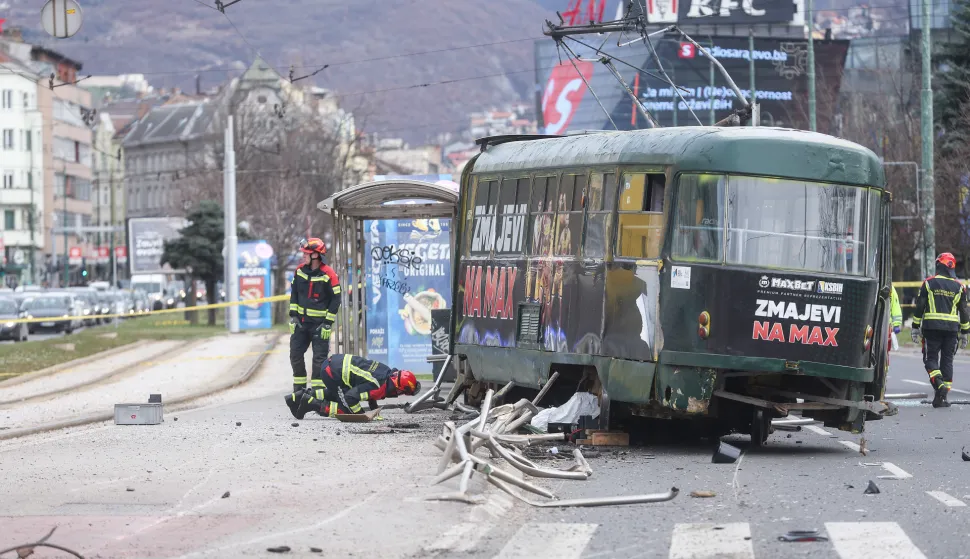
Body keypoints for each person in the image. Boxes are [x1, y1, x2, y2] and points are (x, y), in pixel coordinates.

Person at [911, 252, 970, 408]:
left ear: (939, 265)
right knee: (947, 361)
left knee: (930, 359)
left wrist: (915, 327)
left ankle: (939, 385)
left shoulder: (929, 283)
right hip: (951, 330)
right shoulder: (959, 287)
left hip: (932, 329)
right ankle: (941, 398)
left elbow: (920, 306)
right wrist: (965, 332)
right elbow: (964, 311)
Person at [284, 353, 420, 419]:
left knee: (335, 395)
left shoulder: (386, 372)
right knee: (345, 409)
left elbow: (370, 391)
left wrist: (374, 410)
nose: (400, 395)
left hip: (334, 364)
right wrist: (361, 415)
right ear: (399, 388)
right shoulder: (379, 386)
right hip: (333, 373)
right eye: (403, 392)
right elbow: (351, 398)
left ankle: (297, 397)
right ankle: (311, 403)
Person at [288, 237, 341, 395]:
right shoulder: (299, 271)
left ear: (316, 255)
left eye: (306, 253)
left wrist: (327, 323)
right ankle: (299, 391)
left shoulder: (329, 274)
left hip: (320, 325)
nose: (303, 255)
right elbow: (294, 294)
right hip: (301, 324)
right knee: (295, 355)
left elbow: (336, 299)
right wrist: (293, 316)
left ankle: (317, 393)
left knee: (319, 360)